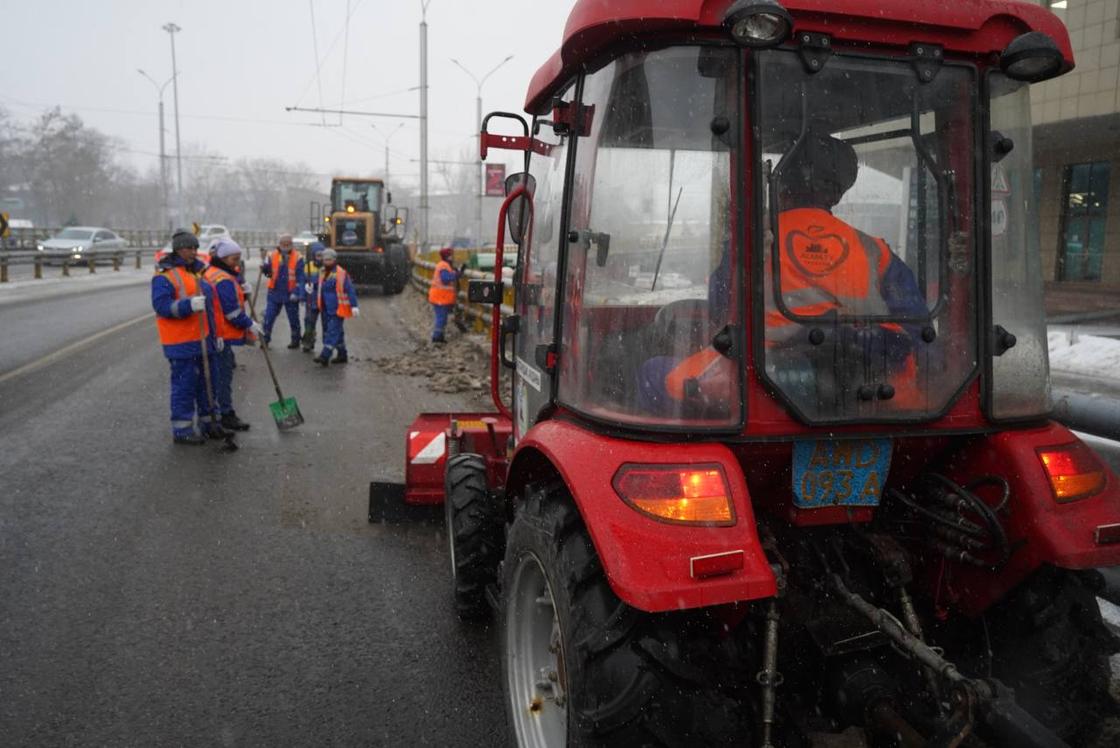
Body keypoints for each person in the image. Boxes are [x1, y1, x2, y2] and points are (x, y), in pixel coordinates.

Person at [639, 130, 925, 414]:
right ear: (836, 194)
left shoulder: (755, 239)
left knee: (653, 373)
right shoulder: (877, 251)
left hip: (764, 385)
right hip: (872, 398)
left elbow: (721, 305)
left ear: (780, 184)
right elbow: (918, 332)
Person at [151, 228, 224, 445]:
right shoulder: (165, 276)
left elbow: (212, 309)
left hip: (204, 340)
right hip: (181, 343)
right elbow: (161, 306)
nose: (193, 252)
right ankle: (182, 430)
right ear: (178, 250)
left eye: (195, 247)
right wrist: (187, 306)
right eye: (188, 248)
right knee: (184, 387)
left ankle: (210, 423)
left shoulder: (198, 273)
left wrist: (216, 335)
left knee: (207, 384)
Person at [203, 238, 264, 431]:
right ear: (222, 258)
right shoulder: (223, 280)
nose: (237, 263)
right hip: (221, 334)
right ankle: (225, 414)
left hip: (213, 333)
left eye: (238, 258)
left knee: (217, 376)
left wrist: (241, 284)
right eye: (233, 259)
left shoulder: (214, 272)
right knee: (222, 377)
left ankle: (215, 413)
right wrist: (250, 324)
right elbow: (231, 312)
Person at [313, 249, 360, 366]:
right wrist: (310, 287)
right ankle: (342, 354)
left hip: (337, 309)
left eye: (329, 259)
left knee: (332, 332)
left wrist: (354, 305)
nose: (326, 262)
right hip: (324, 308)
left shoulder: (341, 273)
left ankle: (325, 355)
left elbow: (350, 290)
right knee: (335, 332)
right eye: (324, 260)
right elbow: (318, 286)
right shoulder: (322, 272)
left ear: (334, 260)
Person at [261, 233, 305, 349]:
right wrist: (265, 268)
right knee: (269, 317)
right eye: (283, 244)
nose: (285, 246)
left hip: (290, 293)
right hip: (274, 292)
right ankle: (265, 339)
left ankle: (295, 340)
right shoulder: (272, 255)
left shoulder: (298, 257)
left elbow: (301, 277)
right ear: (279, 244)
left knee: (293, 319)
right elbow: (268, 273)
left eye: (288, 244)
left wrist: (297, 292)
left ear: (291, 244)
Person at [428, 246, 460, 344]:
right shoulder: (444, 266)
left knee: (442, 318)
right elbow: (445, 279)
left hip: (440, 297)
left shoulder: (443, 265)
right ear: (448, 256)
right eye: (451, 255)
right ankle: (437, 338)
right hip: (440, 297)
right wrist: (456, 275)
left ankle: (439, 336)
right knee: (441, 319)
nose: (452, 257)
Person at [301, 242, 326, 353]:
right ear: (313, 255)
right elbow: (303, 282)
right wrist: (302, 294)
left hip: (325, 301)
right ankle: (308, 341)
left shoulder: (328, 267)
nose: (320, 258)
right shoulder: (307, 267)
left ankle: (327, 345)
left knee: (327, 324)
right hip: (311, 299)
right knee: (309, 321)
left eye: (322, 255)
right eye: (318, 255)